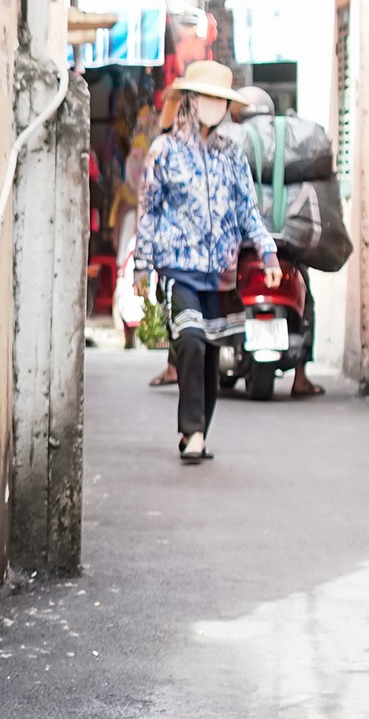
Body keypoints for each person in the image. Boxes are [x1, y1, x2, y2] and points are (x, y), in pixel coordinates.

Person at [132, 60, 280, 463]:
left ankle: (199, 433)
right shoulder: (164, 151)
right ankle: (192, 431)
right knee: (192, 340)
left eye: (220, 100)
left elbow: (248, 209)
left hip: (220, 273)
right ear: (189, 100)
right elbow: (149, 210)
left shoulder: (231, 154)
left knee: (211, 349)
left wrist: (267, 252)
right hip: (179, 270)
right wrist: (143, 264)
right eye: (206, 97)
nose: (213, 106)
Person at [229, 85, 323, 398]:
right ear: (270, 112)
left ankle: (190, 360)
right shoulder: (286, 142)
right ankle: (300, 376)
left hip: (244, 245)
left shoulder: (233, 139)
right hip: (284, 245)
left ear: (238, 115)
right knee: (306, 296)